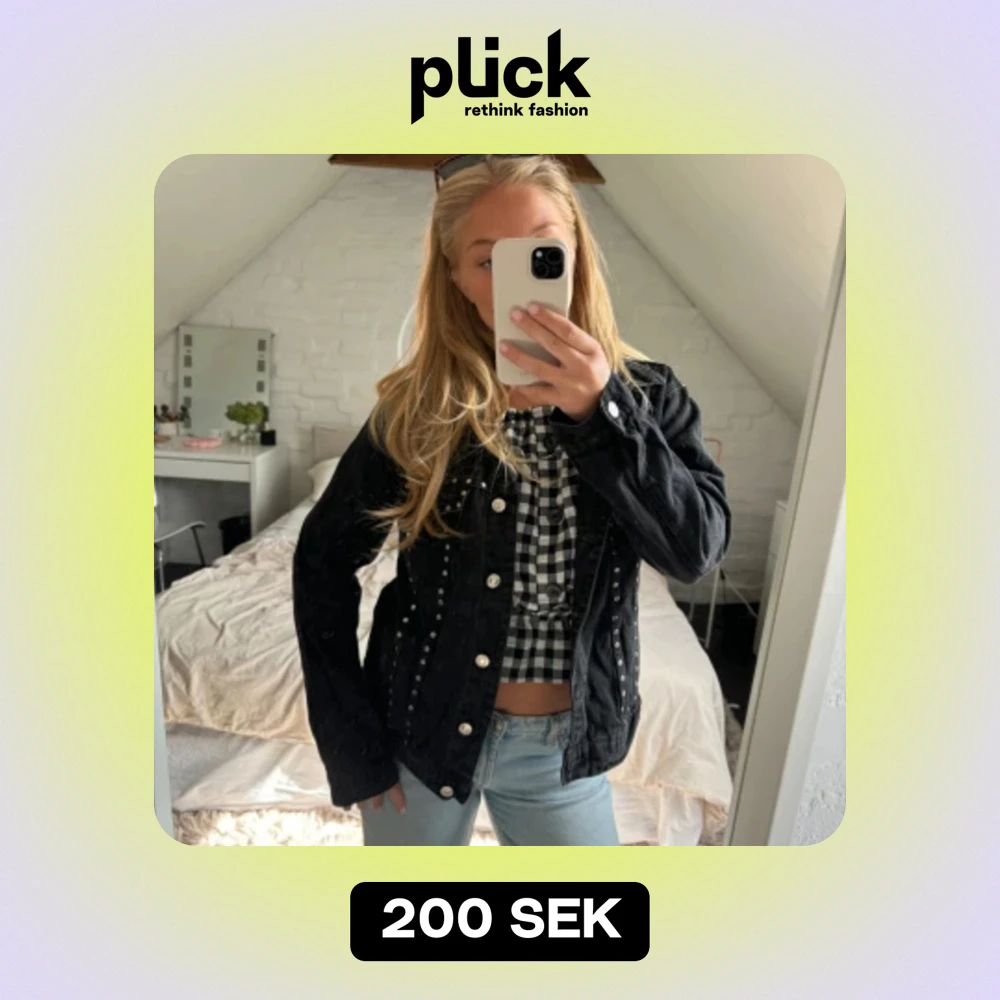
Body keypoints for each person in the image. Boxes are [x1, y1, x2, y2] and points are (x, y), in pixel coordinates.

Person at [291, 154, 731, 846]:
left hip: (562, 752)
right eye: (489, 260)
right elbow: (322, 561)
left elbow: (693, 551)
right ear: (457, 278)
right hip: (418, 731)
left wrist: (602, 413)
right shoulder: (420, 407)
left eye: (541, 251)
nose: (516, 279)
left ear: (576, 253)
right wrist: (352, 742)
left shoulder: (647, 398)